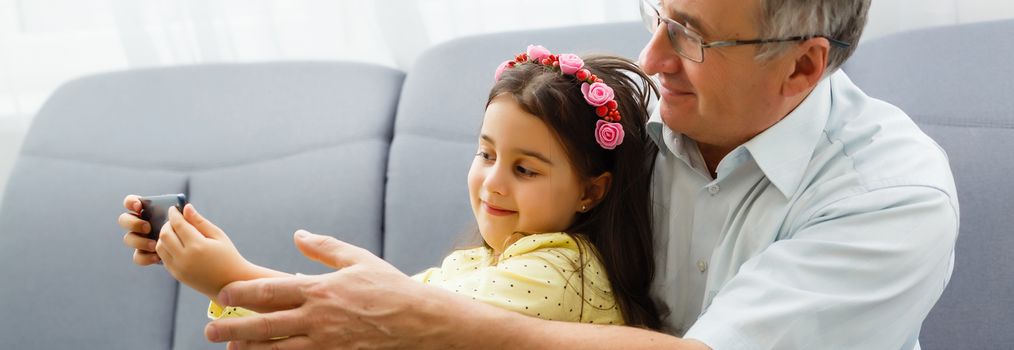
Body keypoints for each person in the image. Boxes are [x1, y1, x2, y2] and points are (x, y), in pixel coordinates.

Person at [125, 0, 961, 348]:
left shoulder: (890, 199)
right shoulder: (631, 127)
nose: (653, 57)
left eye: (695, 36)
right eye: (658, 14)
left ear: (804, 67)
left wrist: (419, 319)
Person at [119, 48, 665, 328]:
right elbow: (359, 310)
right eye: (486, 154)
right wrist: (221, 269)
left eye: (526, 169)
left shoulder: (560, 272)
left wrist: (227, 278)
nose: (493, 182)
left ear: (591, 191)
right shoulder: (483, 266)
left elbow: (385, 322)